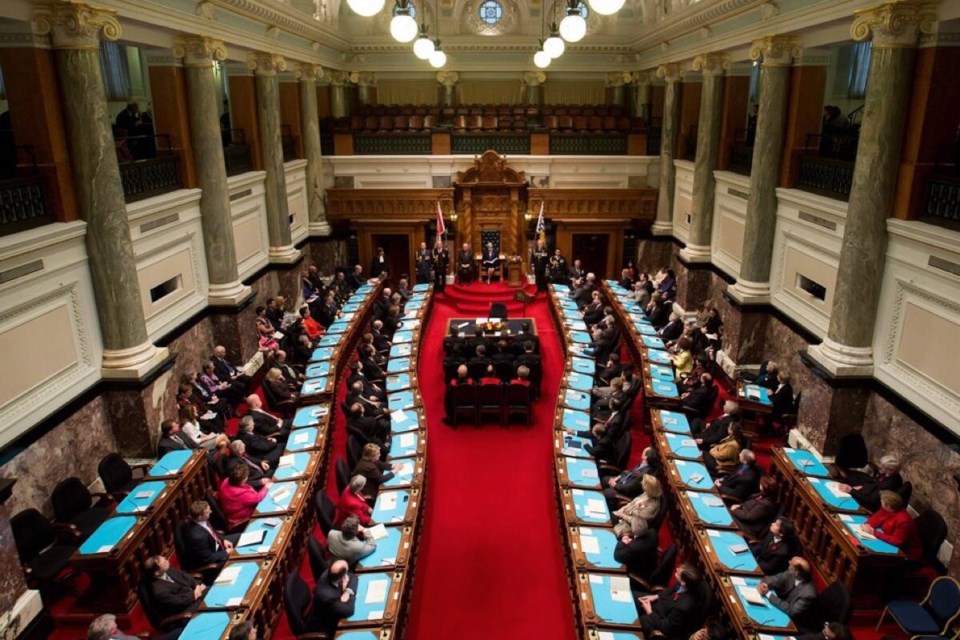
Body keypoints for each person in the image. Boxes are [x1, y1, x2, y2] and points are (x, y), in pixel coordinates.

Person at [637, 563, 703, 638]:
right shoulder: (682, 585)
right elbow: (670, 591)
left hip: (656, 620)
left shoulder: (683, 607)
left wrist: (649, 611)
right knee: (633, 597)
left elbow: (665, 627)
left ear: (684, 582)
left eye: (678, 573)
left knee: (634, 624)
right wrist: (656, 596)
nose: (677, 570)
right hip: (657, 605)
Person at [860, 490, 921, 559]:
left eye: (882, 502)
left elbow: (897, 541)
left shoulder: (904, 520)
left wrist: (873, 532)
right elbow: (876, 518)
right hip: (886, 538)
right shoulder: (886, 509)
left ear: (889, 506)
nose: (880, 503)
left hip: (904, 552)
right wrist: (868, 525)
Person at [182, 499, 237, 573]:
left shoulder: (201, 519)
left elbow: (212, 532)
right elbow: (208, 558)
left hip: (218, 544)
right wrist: (226, 552)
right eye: (208, 512)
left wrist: (223, 540)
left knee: (241, 537)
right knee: (238, 558)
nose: (211, 512)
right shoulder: (197, 537)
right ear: (200, 517)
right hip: (214, 557)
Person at [142, 555, 204, 619]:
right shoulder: (159, 591)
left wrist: (197, 585)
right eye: (164, 562)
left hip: (195, 595)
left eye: (165, 559)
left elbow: (185, 576)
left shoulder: (166, 569)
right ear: (157, 573)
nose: (167, 561)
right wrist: (194, 593)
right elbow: (180, 602)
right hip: (186, 610)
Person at [838, 454, 903, 512]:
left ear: (890, 469)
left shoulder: (890, 484)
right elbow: (874, 483)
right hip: (865, 493)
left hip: (870, 505)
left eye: (882, 466)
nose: (879, 466)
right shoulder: (887, 474)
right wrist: (863, 486)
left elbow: (871, 500)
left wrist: (851, 490)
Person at [310, 560, 358, 632]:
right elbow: (349, 610)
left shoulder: (333, 573)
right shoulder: (328, 597)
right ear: (341, 577)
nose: (347, 574)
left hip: (331, 608)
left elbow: (353, 577)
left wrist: (347, 591)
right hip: (324, 624)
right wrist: (348, 592)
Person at [218, 463, 269, 529]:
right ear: (241, 481)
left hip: (232, 514)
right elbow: (257, 498)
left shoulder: (226, 481)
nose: (247, 478)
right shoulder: (242, 494)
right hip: (241, 520)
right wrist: (267, 487)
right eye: (246, 477)